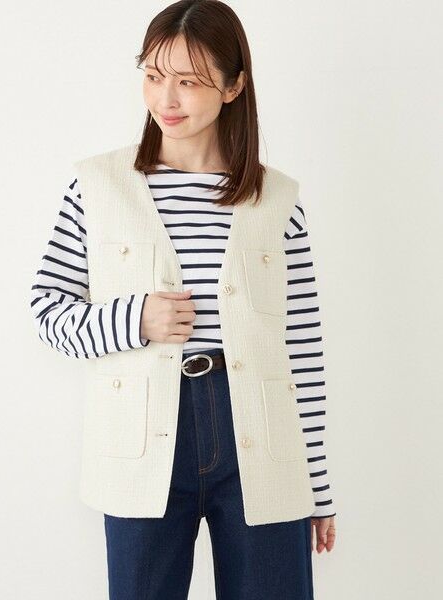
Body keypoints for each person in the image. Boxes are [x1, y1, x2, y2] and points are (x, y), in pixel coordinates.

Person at [30, 1, 336, 597]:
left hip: (260, 441)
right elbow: (47, 311)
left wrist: (317, 487)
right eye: (153, 75)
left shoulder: (278, 201)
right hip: (141, 438)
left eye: (189, 81)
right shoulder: (96, 188)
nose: (166, 98)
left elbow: (301, 351)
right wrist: (134, 319)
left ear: (233, 86)